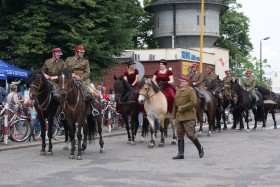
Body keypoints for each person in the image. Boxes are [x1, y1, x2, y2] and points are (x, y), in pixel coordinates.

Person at [172, 75, 204, 159]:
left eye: (182, 81)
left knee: (190, 134)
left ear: (186, 83)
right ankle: (180, 154)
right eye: (180, 81)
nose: (180, 83)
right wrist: (173, 117)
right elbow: (175, 105)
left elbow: (193, 102)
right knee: (179, 134)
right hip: (179, 117)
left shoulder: (190, 90)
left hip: (188, 116)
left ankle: (200, 148)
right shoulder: (178, 91)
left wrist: (182, 108)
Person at [64, 44, 98, 114]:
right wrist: (71, 75)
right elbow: (64, 71)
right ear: (76, 53)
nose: (83, 53)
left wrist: (80, 77)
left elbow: (88, 73)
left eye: (83, 52)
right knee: (62, 92)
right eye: (81, 52)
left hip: (83, 80)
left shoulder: (85, 61)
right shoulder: (68, 60)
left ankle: (93, 108)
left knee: (89, 92)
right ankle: (62, 111)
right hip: (71, 79)